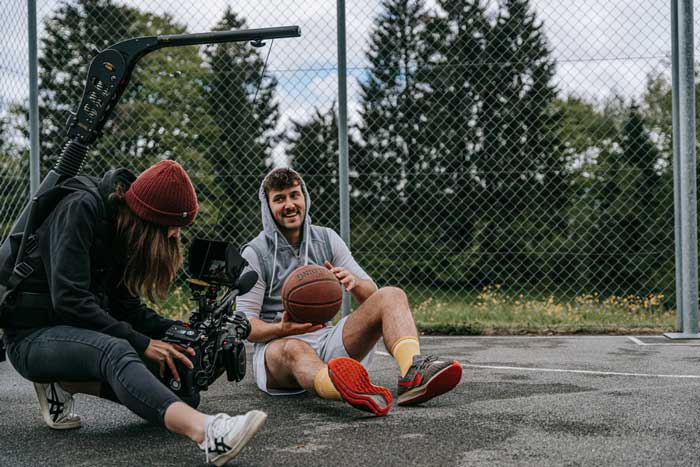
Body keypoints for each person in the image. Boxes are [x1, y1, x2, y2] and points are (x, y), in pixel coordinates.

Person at [1, 160, 265, 466]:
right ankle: (208, 432)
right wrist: (142, 343)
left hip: (77, 338)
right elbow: (70, 301)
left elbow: (126, 307)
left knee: (182, 389)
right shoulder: (81, 209)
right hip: (31, 339)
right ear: (150, 219)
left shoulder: (120, 225)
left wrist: (177, 331)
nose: (175, 234)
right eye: (172, 227)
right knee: (116, 349)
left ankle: (65, 383)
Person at [236, 168, 462, 416]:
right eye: (279, 199)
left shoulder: (327, 238)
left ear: (305, 198)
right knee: (293, 348)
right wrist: (282, 329)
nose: (289, 205)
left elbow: (372, 296)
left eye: (294, 195)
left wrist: (353, 282)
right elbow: (246, 325)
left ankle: (412, 373)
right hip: (277, 350)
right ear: (268, 207)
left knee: (391, 295)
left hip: (326, 338)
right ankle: (338, 385)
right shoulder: (255, 253)